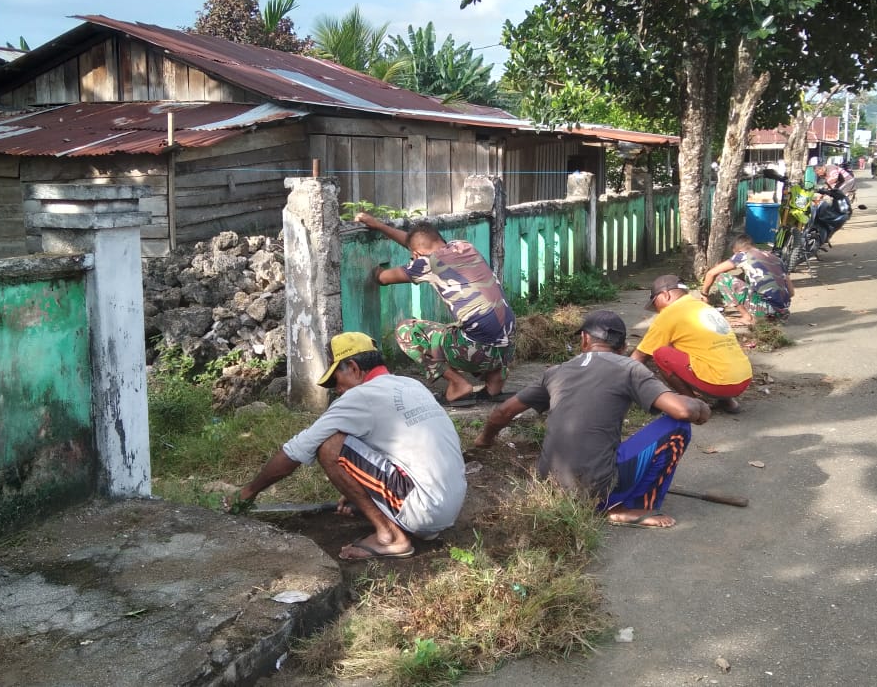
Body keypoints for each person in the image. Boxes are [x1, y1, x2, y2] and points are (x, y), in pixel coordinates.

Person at [226, 332, 466, 560]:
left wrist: (247, 492)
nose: (338, 390)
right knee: (350, 442)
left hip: (423, 508)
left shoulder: (360, 396)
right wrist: (359, 491)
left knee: (330, 445)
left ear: (353, 367)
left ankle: (389, 536)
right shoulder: (411, 385)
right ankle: (401, 520)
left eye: (337, 381)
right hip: (448, 504)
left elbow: (294, 452)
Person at [475, 310, 710, 528]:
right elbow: (682, 411)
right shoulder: (629, 368)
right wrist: (700, 405)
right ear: (624, 346)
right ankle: (631, 506)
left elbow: (502, 412)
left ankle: (591, 497)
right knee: (678, 427)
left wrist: (484, 441)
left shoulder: (556, 371)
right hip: (595, 488)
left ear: (585, 339)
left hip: (550, 485)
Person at [355, 213, 515, 404]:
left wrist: (372, 266)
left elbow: (384, 278)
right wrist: (379, 224)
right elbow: (416, 242)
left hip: (478, 351)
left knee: (407, 331)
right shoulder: (464, 246)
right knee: (473, 327)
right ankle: (494, 381)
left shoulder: (426, 263)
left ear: (417, 255)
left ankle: (458, 385)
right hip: (507, 349)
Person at [631, 274, 753, 415]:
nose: (657, 310)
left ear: (665, 295)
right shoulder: (705, 308)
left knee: (661, 353)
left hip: (719, 384)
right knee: (702, 350)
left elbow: (639, 357)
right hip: (743, 378)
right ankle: (728, 402)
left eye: (655, 303)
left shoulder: (670, 313)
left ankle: (694, 404)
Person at [700, 233, 794, 325]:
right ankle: (766, 315)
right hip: (783, 314)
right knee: (743, 276)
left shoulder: (742, 256)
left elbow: (711, 273)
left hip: (765, 311)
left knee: (722, 278)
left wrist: (704, 295)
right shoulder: (776, 259)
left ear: (738, 250)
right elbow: (791, 293)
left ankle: (746, 317)